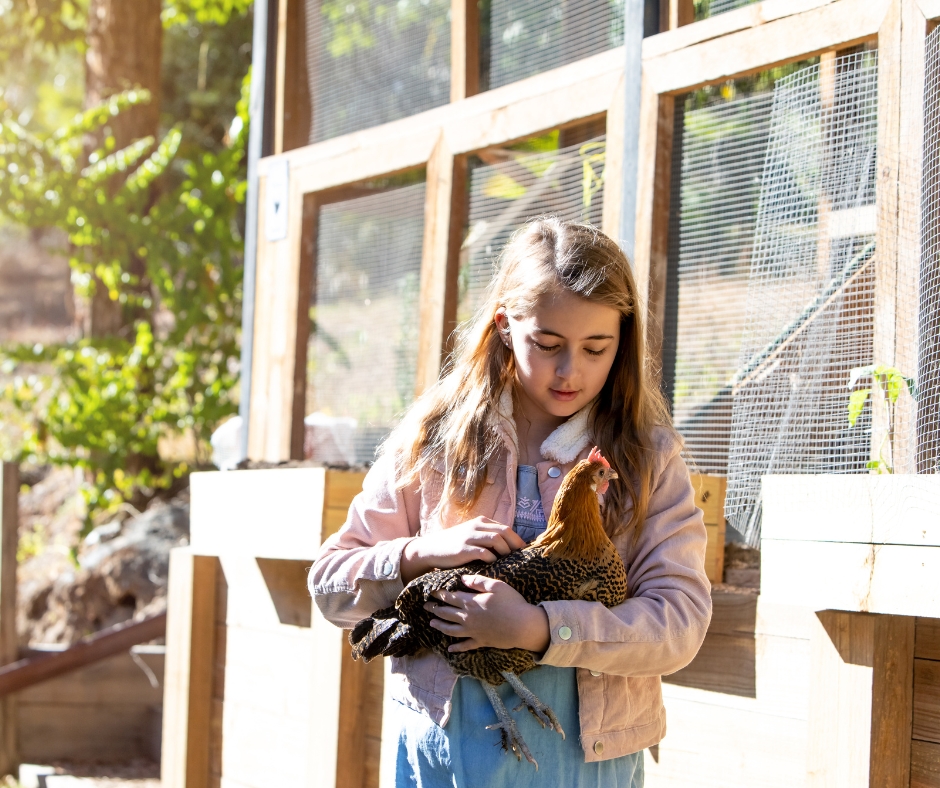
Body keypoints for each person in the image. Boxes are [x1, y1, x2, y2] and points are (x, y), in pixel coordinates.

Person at [310, 217, 712, 787]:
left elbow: (681, 622)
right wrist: (420, 553)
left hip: (583, 755)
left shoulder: (646, 456)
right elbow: (329, 587)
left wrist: (541, 629)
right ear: (504, 326)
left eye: (597, 348)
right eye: (547, 345)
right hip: (446, 745)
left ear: (622, 341)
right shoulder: (436, 438)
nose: (570, 370)